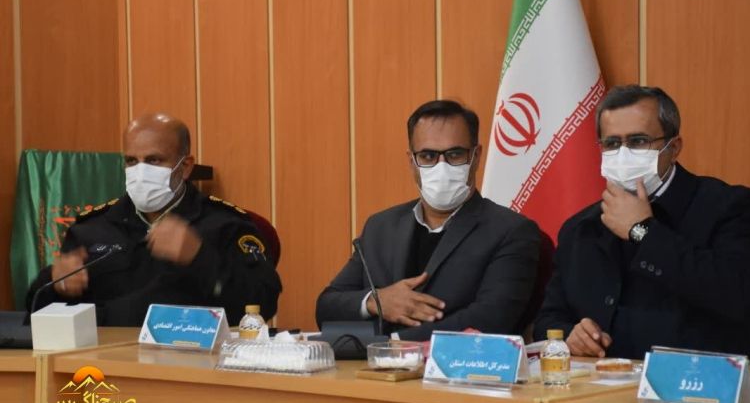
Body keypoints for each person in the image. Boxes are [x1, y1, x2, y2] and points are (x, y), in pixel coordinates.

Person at [534, 85, 750, 368]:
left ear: (674, 148)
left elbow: (738, 296)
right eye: (612, 144)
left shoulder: (728, 207)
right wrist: (571, 336)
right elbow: (547, 321)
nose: (623, 154)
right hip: (601, 382)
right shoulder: (580, 229)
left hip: (696, 379)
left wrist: (642, 231)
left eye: (638, 141)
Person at [26, 113, 282, 326]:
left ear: (185, 167)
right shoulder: (92, 229)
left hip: (191, 361)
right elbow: (36, 312)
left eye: (154, 160)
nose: (140, 172)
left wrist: (199, 257)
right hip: (103, 362)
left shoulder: (226, 225)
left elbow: (263, 303)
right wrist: (54, 283)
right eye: (131, 161)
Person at [316, 100, 540, 341]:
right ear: (412, 162)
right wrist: (375, 301)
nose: (441, 167)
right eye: (428, 156)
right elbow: (326, 308)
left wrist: (394, 345)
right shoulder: (381, 227)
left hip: (454, 364)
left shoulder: (511, 231)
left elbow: (492, 318)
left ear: (476, 157)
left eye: (455, 154)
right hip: (373, 365)